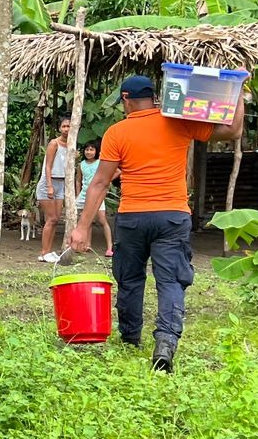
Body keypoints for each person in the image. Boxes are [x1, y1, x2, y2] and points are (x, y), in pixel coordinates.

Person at [71, 73, 246, 372]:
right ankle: (165, 342)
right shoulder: (178, 121)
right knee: (171, 280)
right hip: (172, 216)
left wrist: (82, 226)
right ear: (153, 97)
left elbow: (100, 183)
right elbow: (232, 130)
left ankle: (130, 338)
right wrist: (237, 89)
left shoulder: (117, 133)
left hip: (133, 217)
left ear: (126, 99)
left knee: (130, 278)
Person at [37, 117, 73, 261]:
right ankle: (44, 252)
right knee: (50, 218)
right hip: (49, 182)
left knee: (56, 219)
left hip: (62, 183)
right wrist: (49, 186)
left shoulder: (71, 145)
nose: (66, 129)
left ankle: (49, 251)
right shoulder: (54, 143)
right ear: (59, 128)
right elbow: (48, 166)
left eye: (69, 126)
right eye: (64, 126)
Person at [73, 139, 115, 258]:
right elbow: (78, 180)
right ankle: (86, 244)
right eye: (87, 149)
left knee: (102, 220)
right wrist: (78, 193)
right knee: (84, 220)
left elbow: (116, 171)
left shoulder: (100, 163)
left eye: (92, 149)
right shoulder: (81, 165)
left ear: (96, 151)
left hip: (97, 195)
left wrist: (106, 181)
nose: (89, 152)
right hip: (83, 195)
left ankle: (109, 248)